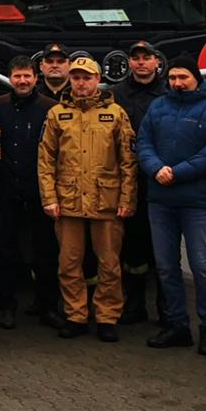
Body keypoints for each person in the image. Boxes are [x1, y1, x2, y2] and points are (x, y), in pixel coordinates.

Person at [136, 60, 206, 355]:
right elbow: (143, 143)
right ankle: (177, 326)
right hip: (161, 201)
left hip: (199, 203)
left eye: (184, 77)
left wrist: (176, 172)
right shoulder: (159, 106)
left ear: (196, 78)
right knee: (166, 268)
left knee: (202, 266)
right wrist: (155, 168)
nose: (178, 82)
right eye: (173, 77)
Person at [38, 56, 137, 343]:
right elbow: (46, 160)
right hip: (67, 202)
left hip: (106, 201)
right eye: (77, 77)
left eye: (87, 77)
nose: (81, 83)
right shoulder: (57, 114)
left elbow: (128, 161)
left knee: (109, 263)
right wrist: (49, 197)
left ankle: (107, 316)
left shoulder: (115, 113)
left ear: (97, 80)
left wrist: (127, 199)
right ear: (70, 80)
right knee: (69, 264)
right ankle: (76, 315)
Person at [0, 56, 59, 329]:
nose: (22, 81)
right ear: (10, 77)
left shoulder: (50, 108)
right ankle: (7, 306)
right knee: (5, 250)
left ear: (35, 77)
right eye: (17, 76)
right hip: (6, 189)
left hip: (39, 189)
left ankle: (47, 306)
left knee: (45, 251)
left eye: (27, 76)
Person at [112, 40, 169, 327]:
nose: (141, 62)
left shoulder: (170, 93)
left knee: (162, 249)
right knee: (133, 249)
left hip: (160, 181)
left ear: (157, 62)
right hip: (128, 182)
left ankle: (166, 308)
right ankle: (134, 305)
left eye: (147, 57)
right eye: (136, 58)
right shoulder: (115, 95)